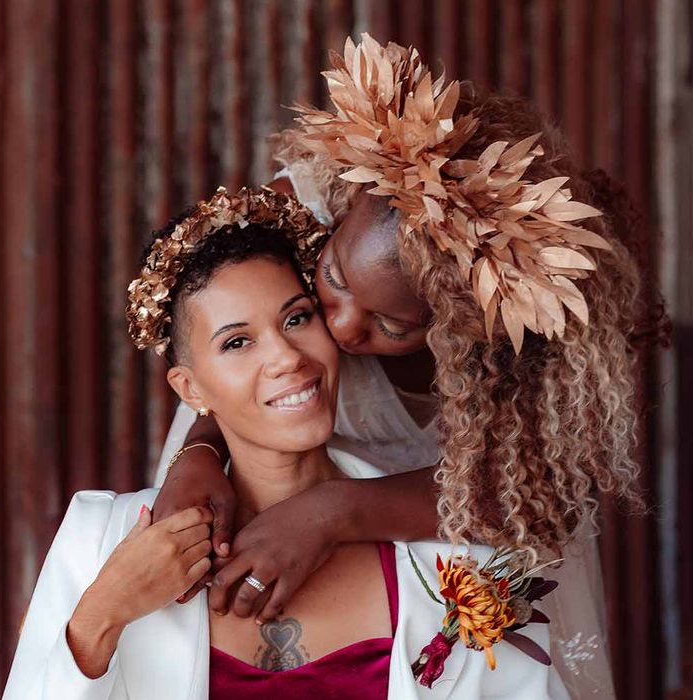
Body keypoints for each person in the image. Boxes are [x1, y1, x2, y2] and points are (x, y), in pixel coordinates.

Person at [151, 36, 664, 698]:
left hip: (461, 537)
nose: (338, 327)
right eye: (330, 278)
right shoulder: (305, 206)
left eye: (391, 326)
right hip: (284, 502)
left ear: (466, 329)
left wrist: (334, 512)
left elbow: (529, 493)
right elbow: (228, 342)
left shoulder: (518, 328)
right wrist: (198, 452)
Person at [2, 188, 565, 700]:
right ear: (190, 388)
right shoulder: (102, 541)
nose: (287, 358)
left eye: (296, 318)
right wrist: (101, 615)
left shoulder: (462, 569)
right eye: (238, 341)